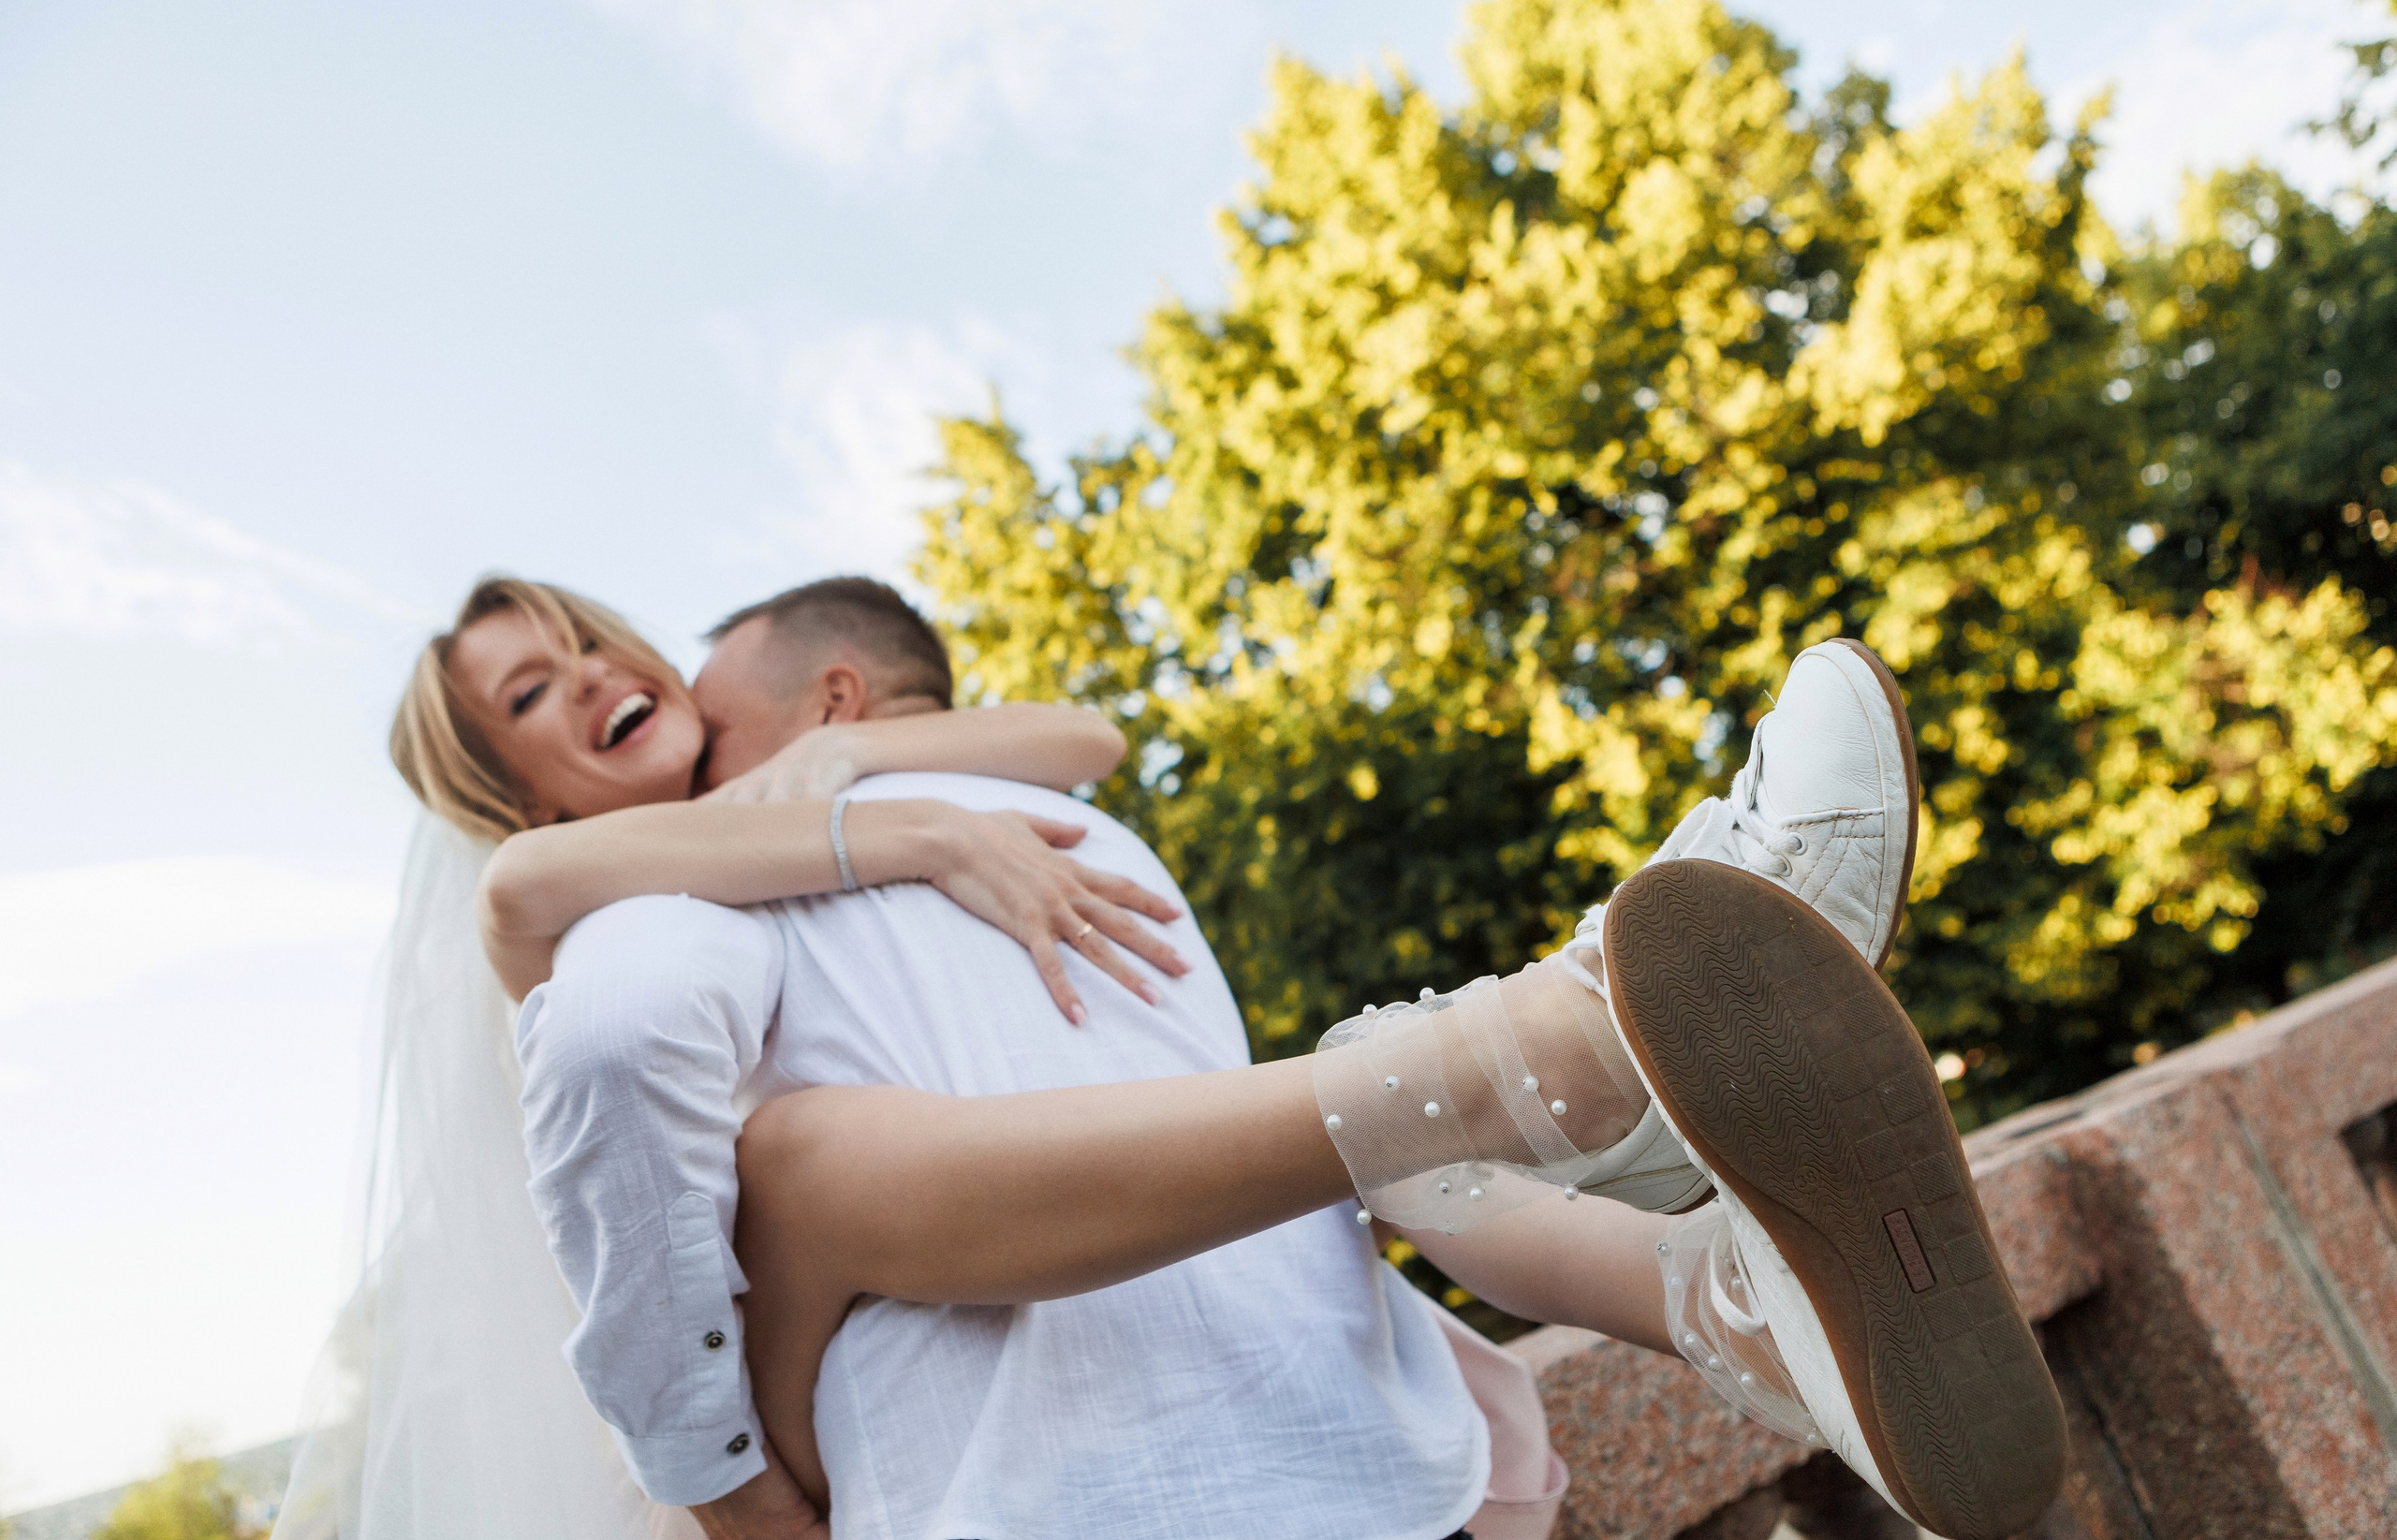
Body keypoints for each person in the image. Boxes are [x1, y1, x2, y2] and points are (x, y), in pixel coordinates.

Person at [302, 574, 2064, 1540]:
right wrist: (885, 833)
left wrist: (868, 786)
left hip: (1243, 1360)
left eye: (586, 638)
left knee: (1356, 1130)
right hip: (898, 1419)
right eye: (531, 697)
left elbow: (1081, 730)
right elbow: (545, 909)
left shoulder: (873, 781)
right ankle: (1573, 1047)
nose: (597, 674)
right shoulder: (628, 911)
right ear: (504, 783)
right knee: (804, 1157)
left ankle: (1711, 1289)